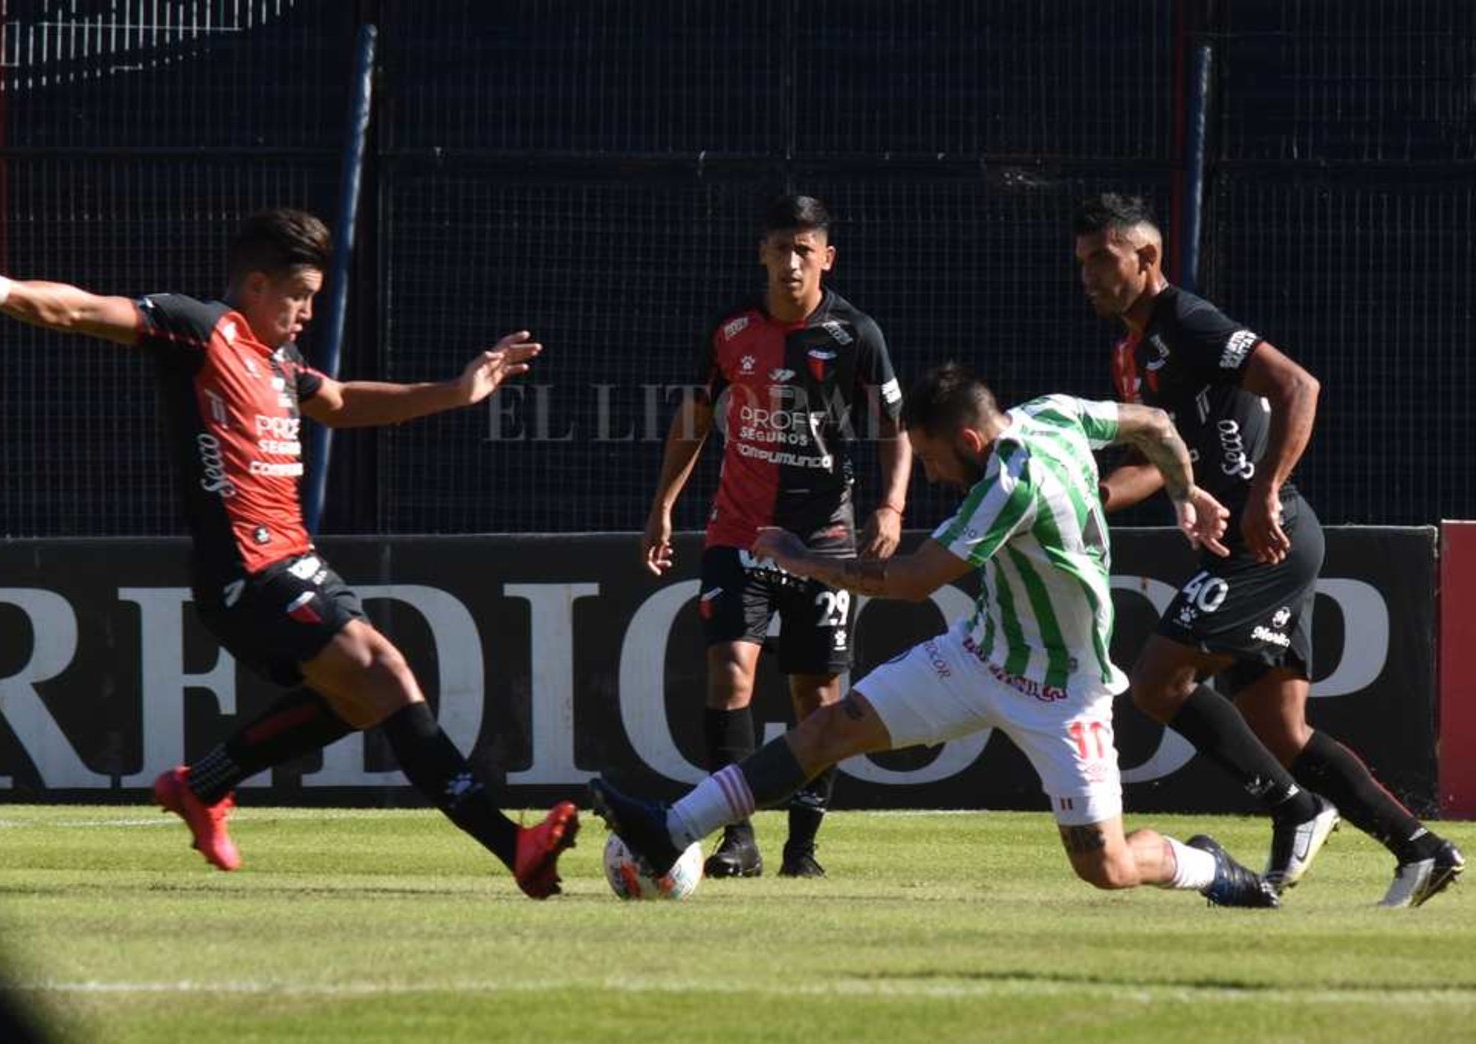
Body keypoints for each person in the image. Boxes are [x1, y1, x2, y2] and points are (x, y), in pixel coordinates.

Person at [0, 210, 579, 899]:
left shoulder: (281, 361)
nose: (308, 313)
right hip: (245, 573)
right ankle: (513, 845)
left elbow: (343, 401)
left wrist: (456, 391)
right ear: (256, 285)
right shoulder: (199, 329)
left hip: (300, 561)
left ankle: (200, 786)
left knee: (354, 702)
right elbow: (80, 310)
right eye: (299, 296)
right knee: (383, 670)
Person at [593, 363, 1280, 908]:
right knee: (830, 729)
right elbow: (1155, 425)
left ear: (970, 443)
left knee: (1105, 867)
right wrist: (1186, 493)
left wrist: (800, 561)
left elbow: (915, 580)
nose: (927, 475)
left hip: (1061, 693)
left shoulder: (1009, 483)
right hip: (976, 655)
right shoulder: (1055, 413)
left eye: (929, 458)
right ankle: (670, 828)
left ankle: (1206, 866)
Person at [1073, 192, 1464, 908]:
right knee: (1279, 728)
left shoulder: (1185, 322)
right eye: (1082, 263)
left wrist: (1262, 491)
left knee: (1158, 680)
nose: (1089, 276)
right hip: (1244, 541)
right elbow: (1165, 457)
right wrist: (1090, 497)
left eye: (1103, 259)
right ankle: (1420, 847)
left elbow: (1296, 385)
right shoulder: (1130, 353)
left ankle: (1295, 809)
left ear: (1147, 257)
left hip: (1270, 536)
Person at [641, 194, 912, 879]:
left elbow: (896, 429)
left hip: (824, 541)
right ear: (760, 254)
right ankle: (737, 837)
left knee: (815, 698)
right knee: (729, 672)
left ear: (827, 258)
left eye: (804, 250)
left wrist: (892, 507)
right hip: (740, 534)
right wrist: (662, 504)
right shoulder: (730, 330)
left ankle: (803, 847)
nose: (791, 264)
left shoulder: (856, 334)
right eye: (779, 250)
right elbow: (695, 419)